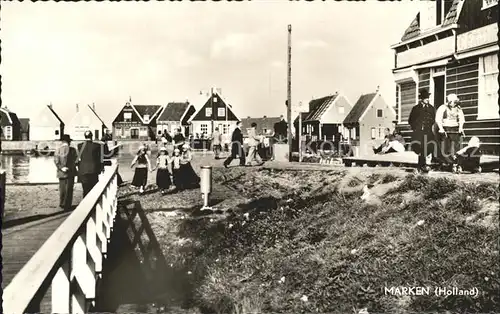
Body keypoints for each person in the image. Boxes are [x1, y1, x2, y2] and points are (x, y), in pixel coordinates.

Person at [408, 88, 436, 173]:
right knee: (420, 148)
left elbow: (434, 119)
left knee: (429, 147)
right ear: (422, 99)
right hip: (419, 132)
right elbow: (411, 120)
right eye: (425, 98)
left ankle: (424, 165)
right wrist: (416, 128)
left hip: (428, 131)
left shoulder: (431, 108)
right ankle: (421, 166)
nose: (427, 99)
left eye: (428, 98)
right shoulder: (416, 108)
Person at [435, 93, 465, 168]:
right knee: (445, 147)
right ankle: (448, 162)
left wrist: (460, 128)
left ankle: (456, 162)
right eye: (452, 102)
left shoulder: (458, 108)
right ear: (449, 101)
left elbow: (462, 118)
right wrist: (441, 128)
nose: (453, 104)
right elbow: (438, 119)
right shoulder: (443, 107)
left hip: (455, 128)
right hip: (445, 128)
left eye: (455, 102)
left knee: (456, 147)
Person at [54, 134, 78, 211]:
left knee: (62, 188)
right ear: (69, 141)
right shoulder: (73, 150)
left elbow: (56, 161)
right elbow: (76, 161)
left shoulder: (58, 150)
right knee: (69, 189)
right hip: (70, 171)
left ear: (62, 141)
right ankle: (68, 204)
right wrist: (69, 167)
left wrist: (61, 168)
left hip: (61, 172)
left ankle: (62, 203)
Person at [77, 130, 104, 197]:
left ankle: (85, 204)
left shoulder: (79, 145)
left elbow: (79, 158)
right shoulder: (97, 145)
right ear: (92, 136)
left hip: (83, 170)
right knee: (93, 189)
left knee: (85, 189)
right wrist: (101, 168)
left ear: (85, 136)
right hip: (93, 170)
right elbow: (100, 158)